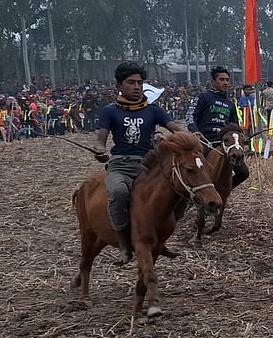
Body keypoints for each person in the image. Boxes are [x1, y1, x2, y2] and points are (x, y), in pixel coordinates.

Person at [94, 62, 188, 264]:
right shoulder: (110, 111)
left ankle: (161, 237)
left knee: (182, 191)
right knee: (119, 193)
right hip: (121, 165)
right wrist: (100, 150)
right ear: (119, 86)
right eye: (131, 82)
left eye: (139, 82)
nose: (136, 87)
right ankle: (124, 245)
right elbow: (101, 140)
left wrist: (189, 137)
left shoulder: (153, 110)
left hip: (149, 166)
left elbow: (175, 128)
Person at [186, 66, 248, 188]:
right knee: (194, 169)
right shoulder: (203, 97)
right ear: (213, 82)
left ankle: (223, 191)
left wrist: (240, 137)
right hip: (205, 141)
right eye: (221, 79)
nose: (225, 82)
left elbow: (234, 126)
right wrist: (195, 131)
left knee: (243, 173)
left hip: (224, 143)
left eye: (227, 80)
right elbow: (190, 115)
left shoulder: (230, 104)